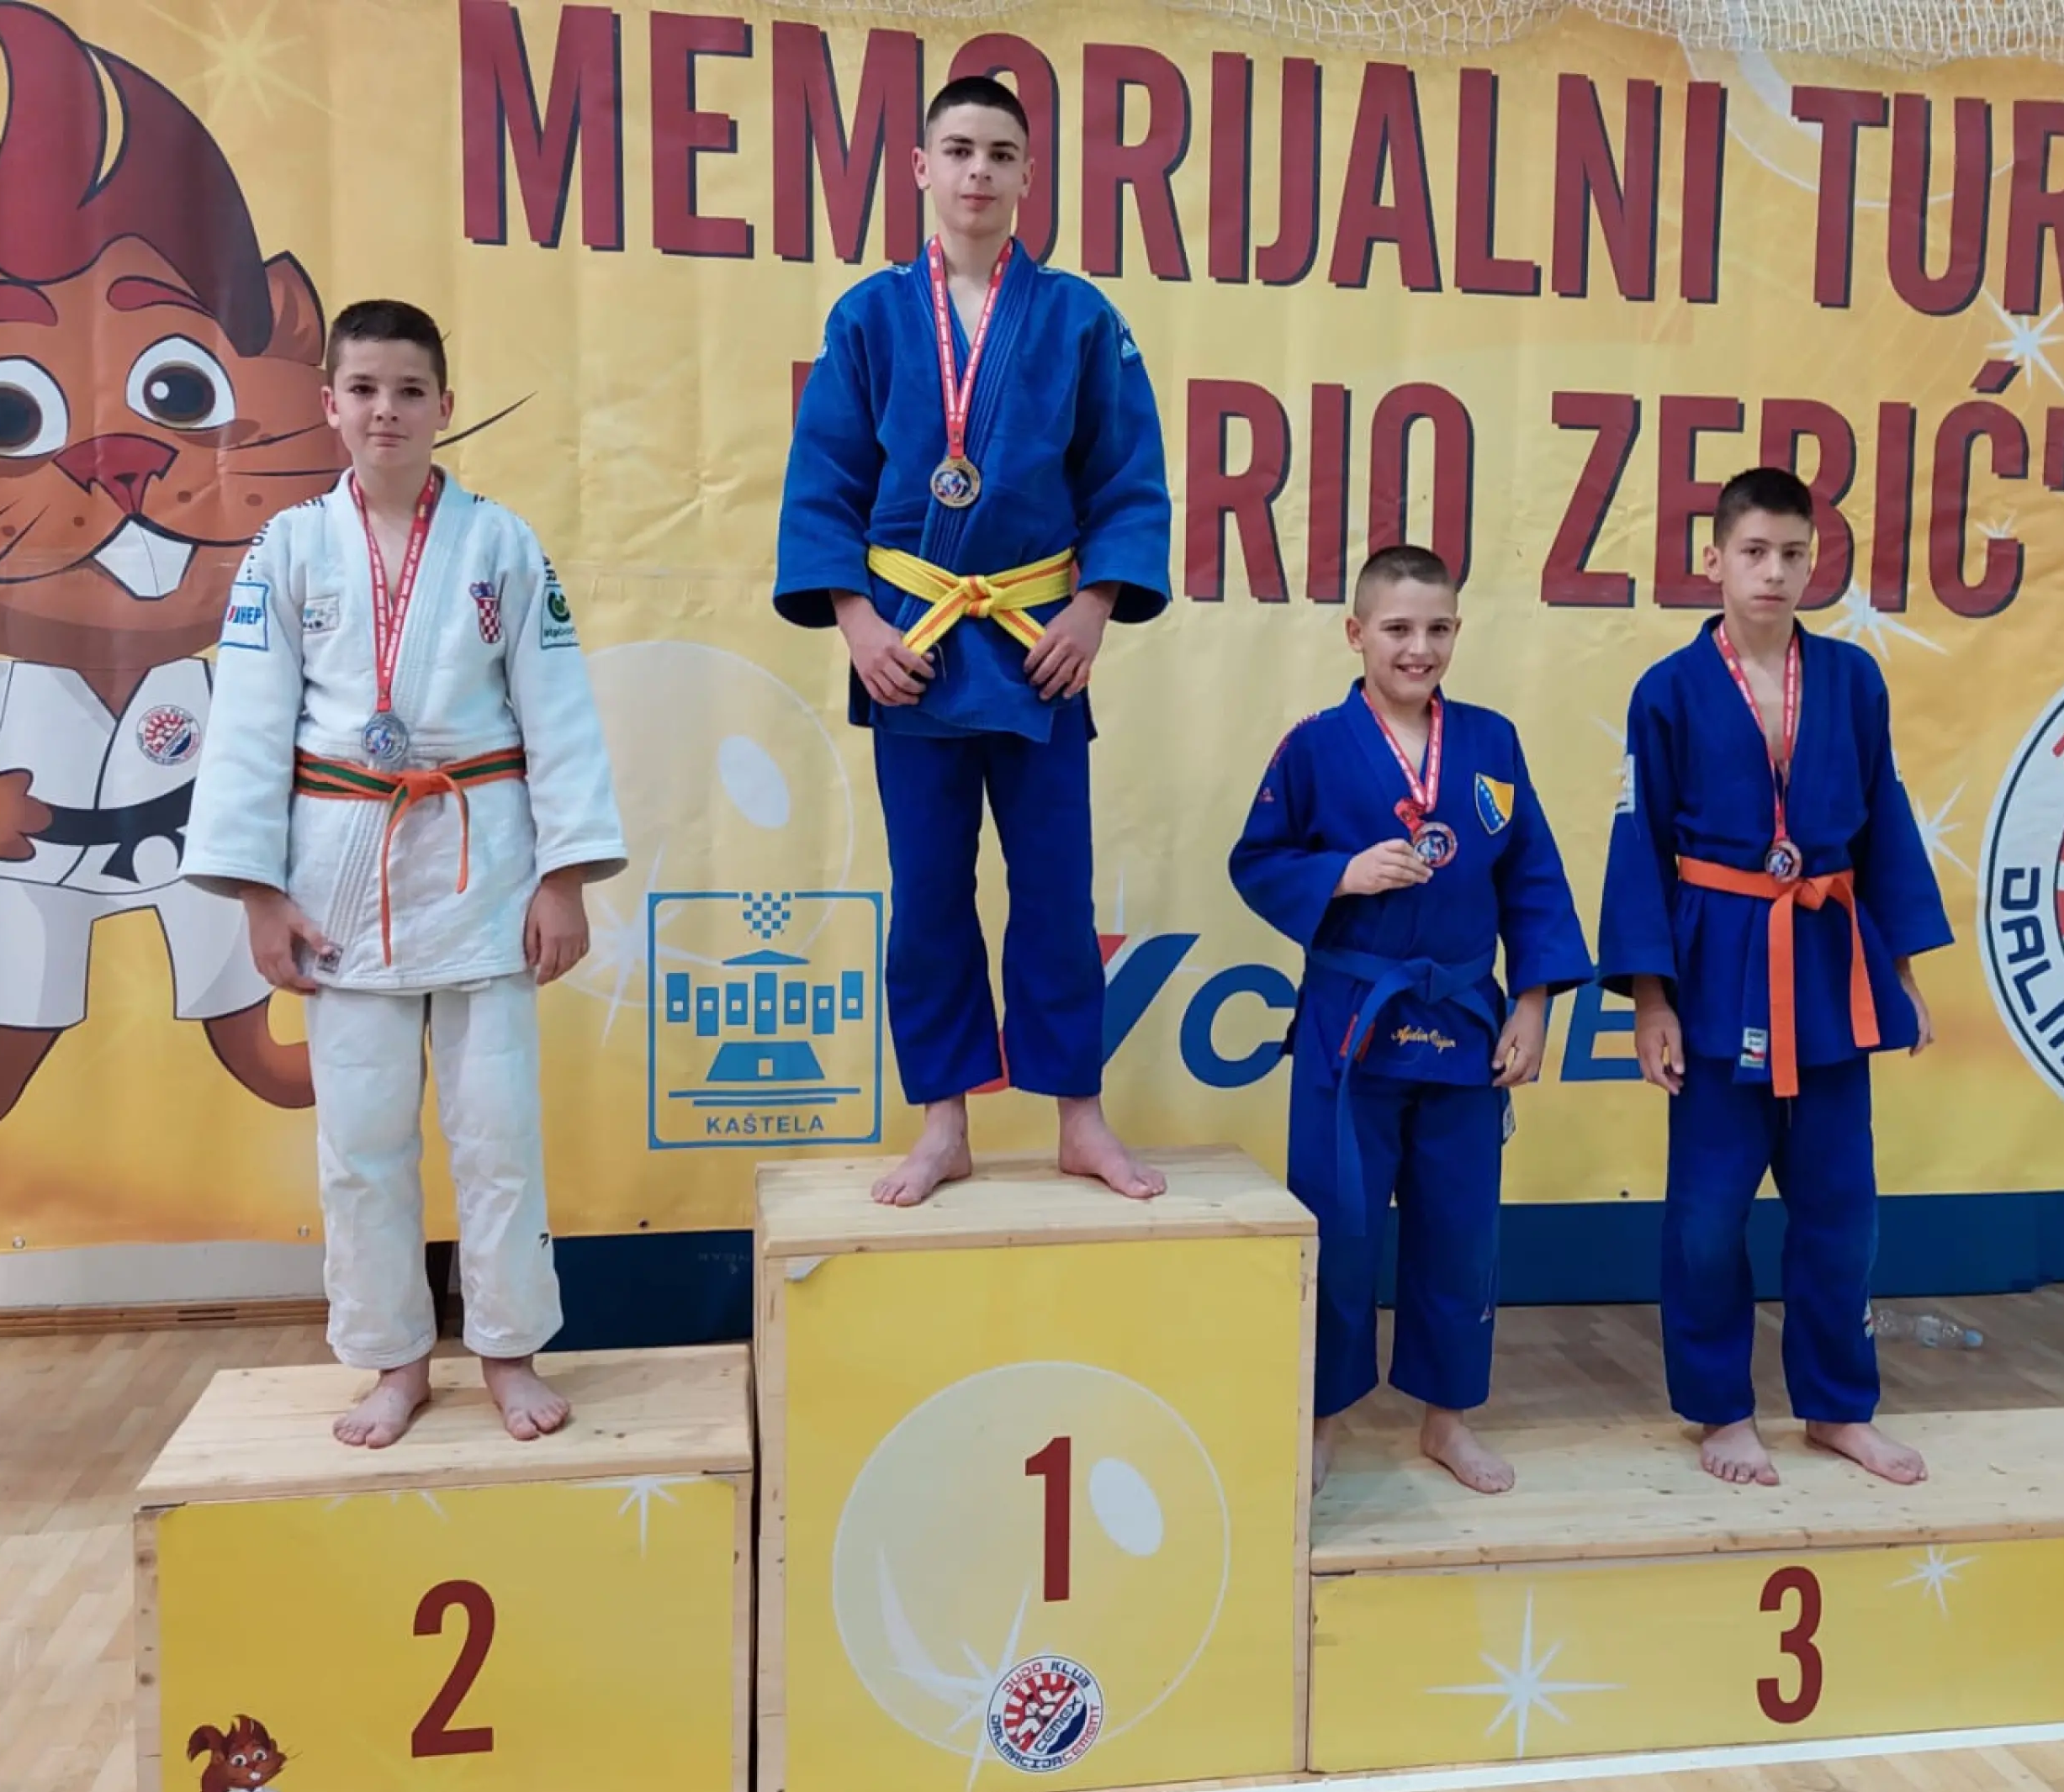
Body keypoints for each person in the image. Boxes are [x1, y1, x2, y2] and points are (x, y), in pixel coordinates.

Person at [185, 299, 628, 1447]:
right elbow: (247, 725)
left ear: (445, 406)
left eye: (410, 390)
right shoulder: (286, 549)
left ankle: (508, 1350)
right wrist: (259, 893)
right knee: (362, 1143)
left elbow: (559, 712)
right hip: (339, 870)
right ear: (328, 404)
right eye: (365, 389)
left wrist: (565, 877)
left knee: (498, 1133)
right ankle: (393, 1359)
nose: (387, 410)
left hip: (483, 864)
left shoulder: (501, 545)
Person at [774, 76, 1173, 1208]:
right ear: (921, 168)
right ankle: (943, 1121)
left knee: (1055, 892)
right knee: (930, 894)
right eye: (958, 150)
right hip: (916, 650)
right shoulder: (868, 317)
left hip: (1040, 646)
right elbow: (825, 482)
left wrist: (1094, 607)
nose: (979, 172)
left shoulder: (1080, 318)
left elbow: (1126, 477)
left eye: (1000, 153)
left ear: (1029, 175)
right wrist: (856, 621)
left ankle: (1079, 1117)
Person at [1596, 467, 1950, 1488]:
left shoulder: (1852, 680)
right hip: (1719, 964)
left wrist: (1900, 969)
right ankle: (1721, 1409)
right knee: (1709, 1213)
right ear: (1713, 559)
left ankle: (1838, 1405)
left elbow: (1884, 822)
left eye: (1794, 553)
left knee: (1842, 1207)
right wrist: (1652, 999)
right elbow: (1639, 844)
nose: (1774, 571)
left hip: (1830, 963)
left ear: (1814, 562)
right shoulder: (1668, 690)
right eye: (1754, 551)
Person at [1231, 547, 1590, 1494]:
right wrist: (1339, 874)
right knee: (1341, 1228)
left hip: (1465, 1026)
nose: (1417, 647)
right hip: (1352, 1028)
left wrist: (1532, 1004)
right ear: (1356, 633)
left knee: (1460, 1232)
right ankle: (1321, 1417)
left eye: (1437, 628)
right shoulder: (1314, 746)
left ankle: (1447, 1420)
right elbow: (1255, 860)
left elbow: (1534, 878)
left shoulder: (1491, 742)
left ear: (1457, 632)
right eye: (1396, 628)